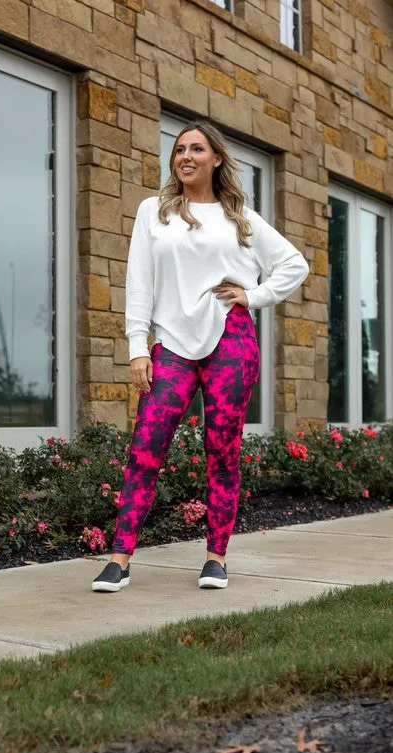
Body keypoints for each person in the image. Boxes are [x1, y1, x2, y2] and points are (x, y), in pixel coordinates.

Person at [91, 119, 309, 593]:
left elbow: (295, 264)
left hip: (231, 338)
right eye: (179, 150)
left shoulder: (240, 217)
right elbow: (140, 284)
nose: (185, 156)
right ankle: (119, 558)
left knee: (222, 449)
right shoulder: (154, 212)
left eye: (196, 149)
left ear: (216, 159)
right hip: (170, 342)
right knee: (146, 448)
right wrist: (136, 348)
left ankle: (216, 557)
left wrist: (252, 297)